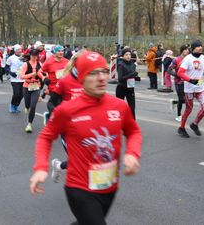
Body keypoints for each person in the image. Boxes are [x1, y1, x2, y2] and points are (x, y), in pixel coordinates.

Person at [30, 50, 142, 225]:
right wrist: (40, 168)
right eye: (93, 73)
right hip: (79, 188)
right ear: (81, 77)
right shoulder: (66, 110)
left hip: (109, 186)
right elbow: (45, 137)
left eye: (104, 71)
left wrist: (132, 153)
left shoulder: (119, 107)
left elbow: (133, 131)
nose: (101, 78)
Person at [48, 51, 84, 183]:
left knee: (87, 158)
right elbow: (50, 103)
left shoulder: (90, 82)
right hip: (68, 128)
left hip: (87, 127)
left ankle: (58, 166)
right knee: (77, 160)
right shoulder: (65, 82)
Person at [176, 41, 204, 138]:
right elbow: (180, 73)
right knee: (189, 109)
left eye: (201, 46)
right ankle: (181, 128)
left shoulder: (202, 57)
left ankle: (194, 124)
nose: (200, 48)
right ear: (194, 48)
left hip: (200, 88)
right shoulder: (188, 59)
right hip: (189, 89)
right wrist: (190, 80)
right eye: (198, 46)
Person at [20, 49, 44, 133]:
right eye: (33, 55)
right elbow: (21, 76)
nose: (34, 57)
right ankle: (26, 107)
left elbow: (40, 73)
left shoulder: (39, 64)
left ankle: (29, 124)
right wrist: (31, 74)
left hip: (36, 86)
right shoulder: (25, 64)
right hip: (27, 86)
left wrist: (44, 77)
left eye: (36, 56)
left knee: (33, 106)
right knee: (27, 104)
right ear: (30, 55)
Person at [168, 44, 190, 121]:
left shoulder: (189, 59)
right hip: (179, 82)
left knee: (187, 100)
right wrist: (177, 75)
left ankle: (174, 102)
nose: (187, 51)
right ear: (182, 50)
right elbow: (169, 70)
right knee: (181, 99)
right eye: (185, 49)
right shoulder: (176, 60)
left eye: (188, 50)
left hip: (187, 82)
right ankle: (178, 115)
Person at [115, 48, 138, 119]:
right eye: (126, 54)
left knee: (132, 108)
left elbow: (132, 76)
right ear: (123, 56)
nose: (128, 56)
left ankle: (133, 124)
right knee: (119, 108)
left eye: (129, 54)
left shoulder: (133, 64)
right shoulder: (120, 64)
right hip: (121, 88)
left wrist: (136, 77)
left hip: (130, 88)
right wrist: (132, 74)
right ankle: (119, 122)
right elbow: (120, 78)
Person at [5, 44, 24, 113]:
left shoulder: (24, 57)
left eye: (20, 49)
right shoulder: (11, 58)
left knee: (22, 94)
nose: (20, 51)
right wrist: (10, 73)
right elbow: (6, 67)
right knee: (16, 94)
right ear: (15, 51)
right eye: (18, 50)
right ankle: (12, 105)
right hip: (14, 79)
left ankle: (16, 106)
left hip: (23, 78)